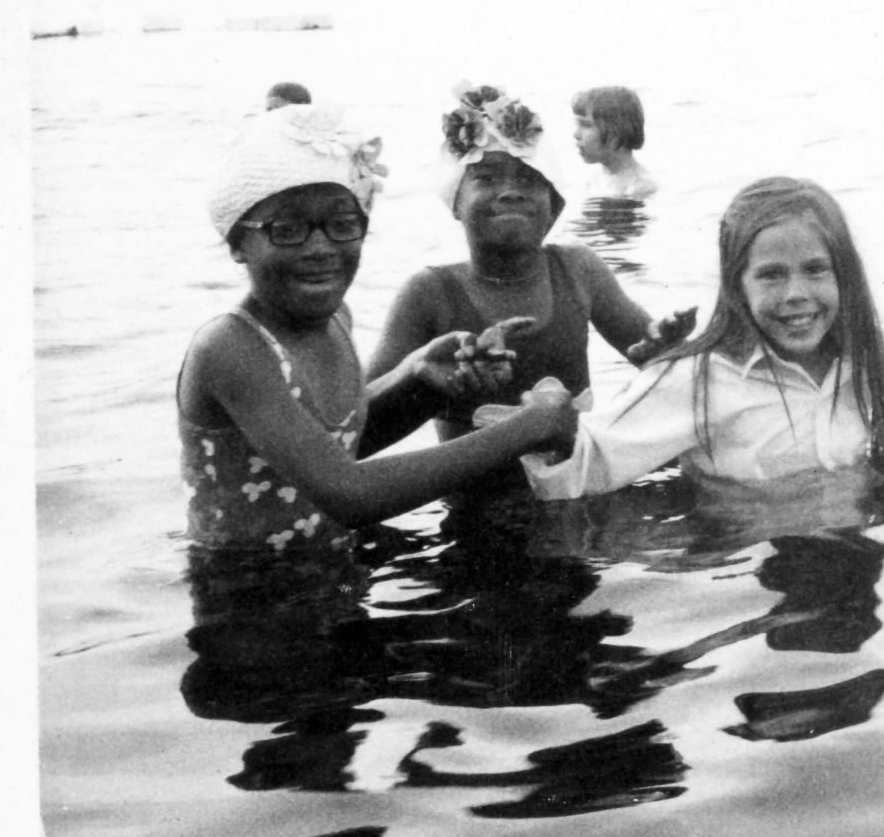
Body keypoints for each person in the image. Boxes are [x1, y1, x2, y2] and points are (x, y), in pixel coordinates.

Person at [177, 101, 578, 555]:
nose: (319, 247)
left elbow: (337, 450)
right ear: (237, 243)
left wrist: (423, 385)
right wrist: (530, 426)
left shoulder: (336, 320)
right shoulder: (230, 346)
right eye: (287, 229)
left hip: (333, 570)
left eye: (342, 225)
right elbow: (349, 494)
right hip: (247, 598)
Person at [519, 177, 884, 495]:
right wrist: (553, 429)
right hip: (752, 561)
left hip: (858, 555)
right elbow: (590, 461)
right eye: (771, 275)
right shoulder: (698, 380)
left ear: (845, 274)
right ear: (737, 287)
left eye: (815, 269)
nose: (796, 295)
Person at [362, 83, 696, 467]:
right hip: (477, 507)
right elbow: (355, 425)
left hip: (579, 490)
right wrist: (419, 378)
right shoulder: (429, 293)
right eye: (486, 178)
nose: (509, 192)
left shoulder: (578, 269)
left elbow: (667, 368)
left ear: (554, 207)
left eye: (528, 180)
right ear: (455, 202)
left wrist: (665, 356)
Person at [571, 85, 656, 200]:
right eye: (577, 125)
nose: (576, 134)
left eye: (586, 125)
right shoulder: (593, 181)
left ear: (615, 133)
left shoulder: (638, 187)